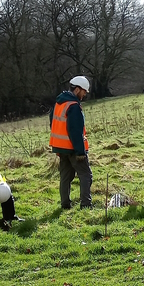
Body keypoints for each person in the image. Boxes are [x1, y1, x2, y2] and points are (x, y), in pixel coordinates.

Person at [50, 75, 92, 209]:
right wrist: (80, 151)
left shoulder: (59, 103)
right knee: (86, 175)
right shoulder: (73, 106)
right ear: (77, 89)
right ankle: (86, 204)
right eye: (84, 91)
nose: (84, 94)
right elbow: (75, 131)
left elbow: (53, 123)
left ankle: (65, 204)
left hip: (60, 148)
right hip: (73, 148)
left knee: (65, 177)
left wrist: (58, 147)